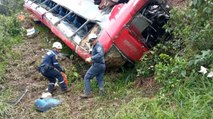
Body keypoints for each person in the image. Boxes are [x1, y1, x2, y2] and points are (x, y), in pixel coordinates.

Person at [80, 33, 106, 98]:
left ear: (96, 39)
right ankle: (101, 93)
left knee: (87, 77)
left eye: (92, 40)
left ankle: (87, 93)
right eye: (90, 41)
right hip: (101, 65)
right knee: (99, 78)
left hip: (98, 65)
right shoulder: (95, 46)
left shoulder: (98, 46)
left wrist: (91, 58)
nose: (91, 42)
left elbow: (100, 54)